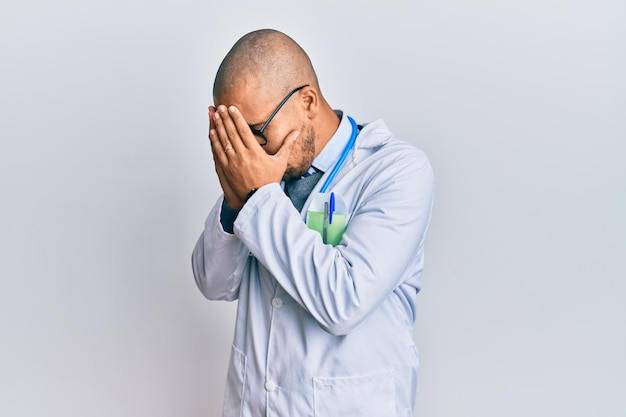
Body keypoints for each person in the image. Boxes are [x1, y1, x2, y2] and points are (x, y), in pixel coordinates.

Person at [191, 28, 434, 417]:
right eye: (234, 135)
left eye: (254, 132)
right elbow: (214, 283)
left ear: (307, 101)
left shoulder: (396, 171)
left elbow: (344, 303)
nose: (249, 149)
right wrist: (237, 202)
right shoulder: (264, 176)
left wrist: (258, 196)